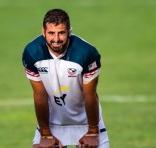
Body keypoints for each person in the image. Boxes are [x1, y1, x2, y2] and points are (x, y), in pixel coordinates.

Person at [22, 8, 109, 148]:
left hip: (86, 122)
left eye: (61, 33)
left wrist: (93, 132)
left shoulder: (87, 53)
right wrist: (45, 134)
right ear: (43, 32)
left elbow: (90, 95)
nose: (56, 39)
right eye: (51, 33)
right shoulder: (32, 53)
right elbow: (40, 95)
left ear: (70, 32)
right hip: (51, 123)